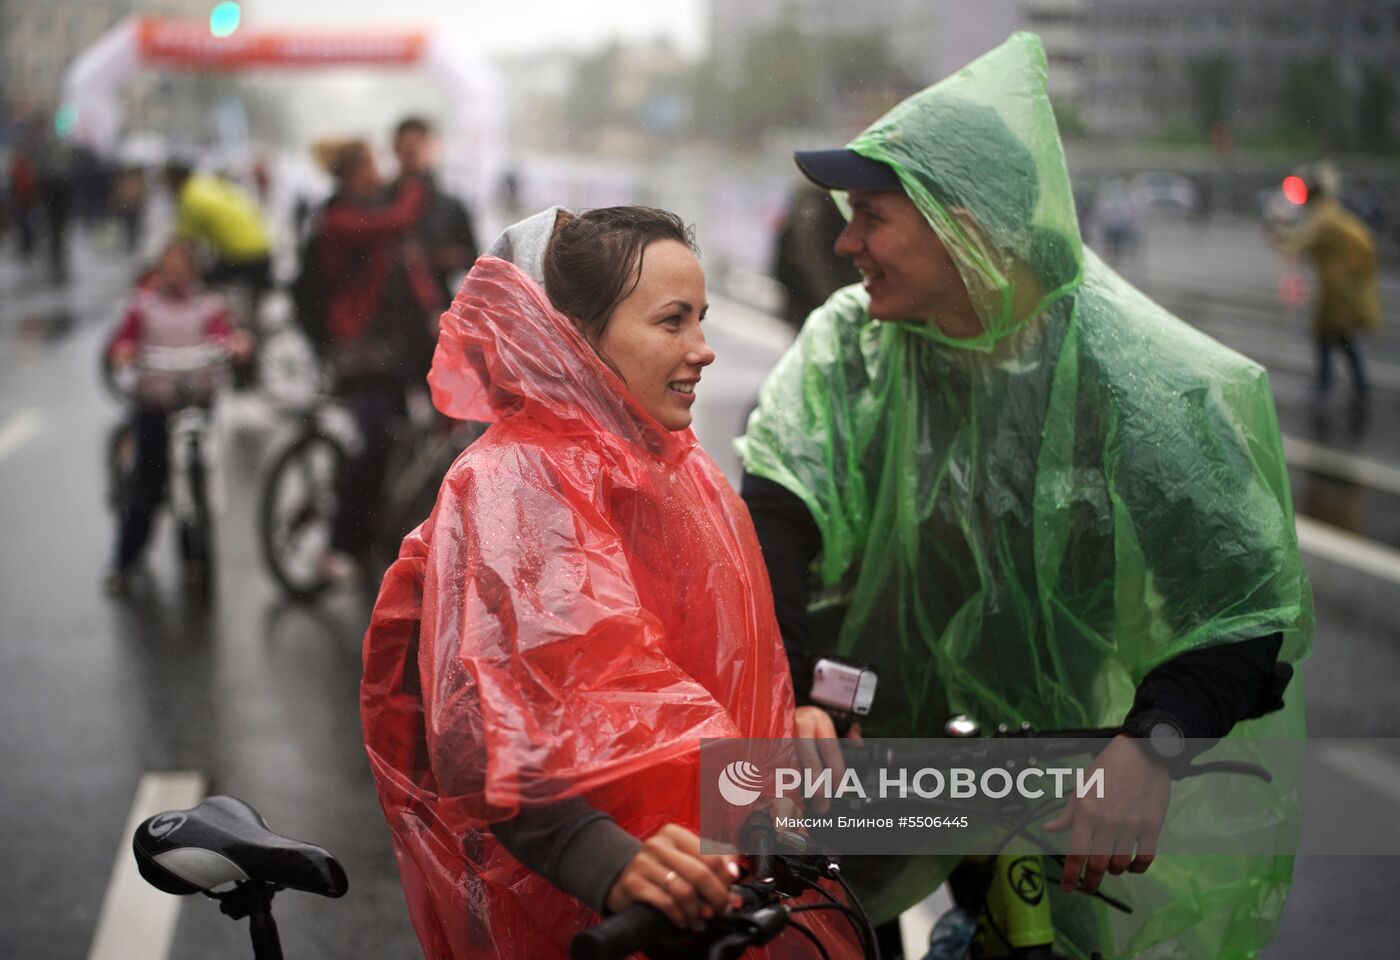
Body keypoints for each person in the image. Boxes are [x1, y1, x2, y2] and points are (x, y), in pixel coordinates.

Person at [737, 34, 1312, 959]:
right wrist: (792, 686)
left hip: (1053, 752)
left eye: (871, 217)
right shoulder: (852, 345)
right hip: (867, 734)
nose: (844, 244)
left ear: (962, 224)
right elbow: (774, 512)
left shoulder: (1132, 378)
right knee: (827, 934)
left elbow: (1238, 601)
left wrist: (1150, 747)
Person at [361, 206, 860, 959]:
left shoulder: (679, 467)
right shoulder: (516, 482)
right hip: (609, 912)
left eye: (702, 319)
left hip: (733, 867)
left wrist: (787, 728)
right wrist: (608, 862)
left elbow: (710, 675)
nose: (703, 350)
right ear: (571, 337)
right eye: (672, 322)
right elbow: (496, 739)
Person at [302, 139, 434, 573]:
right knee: (374, 441)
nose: (376, 171)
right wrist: (415, 178)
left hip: (393, 343)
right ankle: (340, 544)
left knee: (407, 431)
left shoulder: (372, 208)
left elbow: (411, 268)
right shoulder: (338, 218)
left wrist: (440, 312)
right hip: (355, 345)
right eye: (369, 164)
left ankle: (385, 527)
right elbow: (399, 221)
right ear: (350, 173)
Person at [103, 240, 249, 593]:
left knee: (199, 480)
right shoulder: (143, 306)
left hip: (198, 404)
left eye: (182, 265)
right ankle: (124, 562)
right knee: (146, 488)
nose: (175, 273)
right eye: (168, 266)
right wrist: (125, 352)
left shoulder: (208, 305)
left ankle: (194, 558)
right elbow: (122, 345)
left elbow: (224, 337)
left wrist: (236, 344)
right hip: (155, 407)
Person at [1271, 161, 1382, 410]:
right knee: (1336, 338)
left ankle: (1330, 385)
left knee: (1331, 336)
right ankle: (1345, 385)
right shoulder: (1327, 212)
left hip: (1336, 290)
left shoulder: (1322, 217)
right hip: (1337, 288)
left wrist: (1278, 236)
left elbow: (1300, 244)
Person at [385, 116, 480, 378]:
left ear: (433, 148)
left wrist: (434, 259)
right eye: (406, 146)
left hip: (434, 317)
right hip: (385, 323)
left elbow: (475, 261)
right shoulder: (381, 199)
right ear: (395, 149)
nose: (412, 152)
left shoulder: (450, 205)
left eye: (419, 145)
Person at [164, 161, 274, 310]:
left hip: (241, 254)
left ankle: (208, 317)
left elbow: (184, 243)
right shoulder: (206, 184)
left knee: (204, 284)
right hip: (263, 247)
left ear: (175, 178)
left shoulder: (190, 196)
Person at [772, 181, 861, 329]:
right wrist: (830, 299)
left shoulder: (816, 200)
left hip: (812, 298)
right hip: (814, 300)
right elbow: (809, 257)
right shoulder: (817, 204)